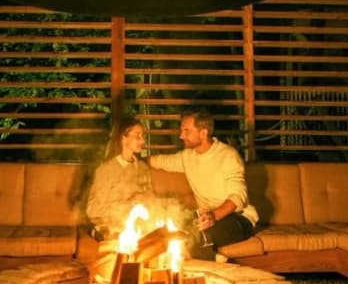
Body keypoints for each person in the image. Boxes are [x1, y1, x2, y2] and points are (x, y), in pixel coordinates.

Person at [148, 107, 257, 260]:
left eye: (186, 131)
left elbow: (238, 196)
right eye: (181, 130)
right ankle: (215, 260)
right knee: (171, 229)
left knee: (195, 237)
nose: (181, 136)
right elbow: (159, 161)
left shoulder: (228, 156)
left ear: (203, 132)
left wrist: (213, 216)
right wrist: (132, 159)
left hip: (238, 218)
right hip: (205, 217)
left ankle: (213, 269)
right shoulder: (187, 157)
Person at [85, 116, 153, 239]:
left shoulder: (142, 168)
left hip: (139, 227)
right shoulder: (106, 169)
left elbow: (151, 202)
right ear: (123, 137)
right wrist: (130, 205)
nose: (142, 140)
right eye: (137, 135)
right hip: (112, 228)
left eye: (143, 136)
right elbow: (93, 210)